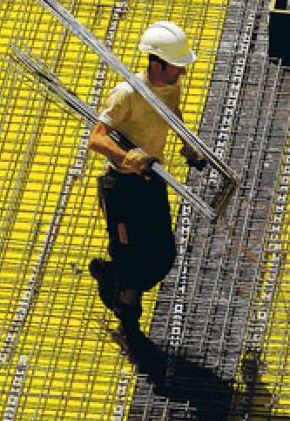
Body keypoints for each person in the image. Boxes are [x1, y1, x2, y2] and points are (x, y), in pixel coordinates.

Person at [87, 20, 206, 350]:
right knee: (130, 263)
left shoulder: (169, 87)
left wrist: (188, 146)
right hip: (123, 188)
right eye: (177, 67)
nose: (181, 73)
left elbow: (172, 114)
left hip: (151, 181)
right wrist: (126, 157)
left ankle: (115, 280)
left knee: (163, 255)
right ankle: (128, 322)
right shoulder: (126, 93)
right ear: (157, 63)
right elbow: (96, 139)